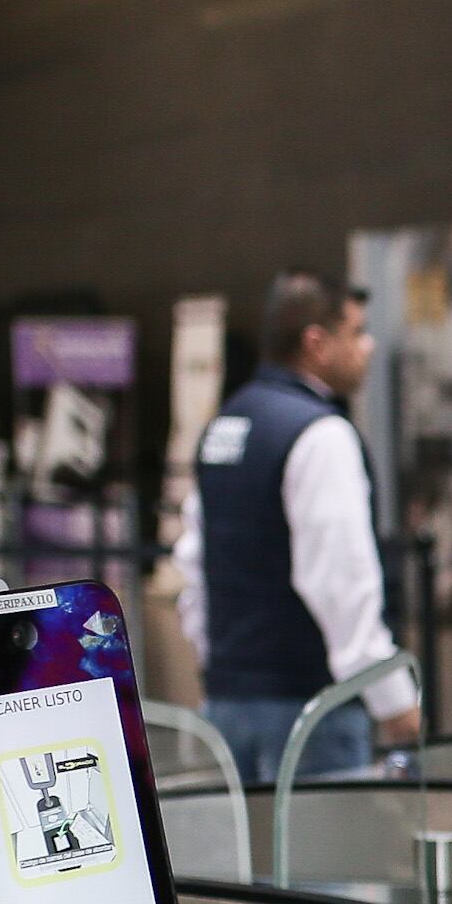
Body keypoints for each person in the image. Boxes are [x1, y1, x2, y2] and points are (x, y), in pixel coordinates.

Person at [172, 271, 420, 786]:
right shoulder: (319, 434)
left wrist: (222, 668)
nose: (368, 347)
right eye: (356, 332)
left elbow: (195, 564)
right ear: (316, 343)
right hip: (311, 712)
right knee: (321, 864)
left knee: (239, 864)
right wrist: (392, 699)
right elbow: (339, 581)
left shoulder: (225, 425)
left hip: (226, 708)